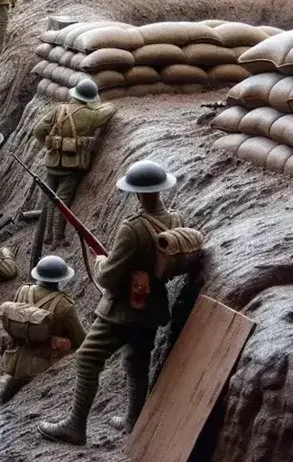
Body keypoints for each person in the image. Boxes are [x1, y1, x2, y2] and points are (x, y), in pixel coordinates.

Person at [39, 161, 184, 444]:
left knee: (88, 357)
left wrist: (100, 262)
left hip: (122, 311)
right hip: (153, 307)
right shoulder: (175, 219)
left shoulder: (132, 229)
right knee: (137, 360)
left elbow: (106, 278)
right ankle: (133, 420)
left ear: (139, 195)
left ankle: (75, 426)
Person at [30, 79, 117, 258]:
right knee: (62, 202)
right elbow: (110, 110)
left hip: (52, 162)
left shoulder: (58, 109)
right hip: (72, 166)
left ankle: (46, 236)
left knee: (48, 199)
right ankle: (58, 238)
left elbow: (39, 130)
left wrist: (52, 145)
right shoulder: (91, 115)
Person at [0, 254, 85, 405]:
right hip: (38, 368)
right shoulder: (64, 304)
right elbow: (80, 340)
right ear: (60, 279)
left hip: (10, 360)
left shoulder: (22, 290)